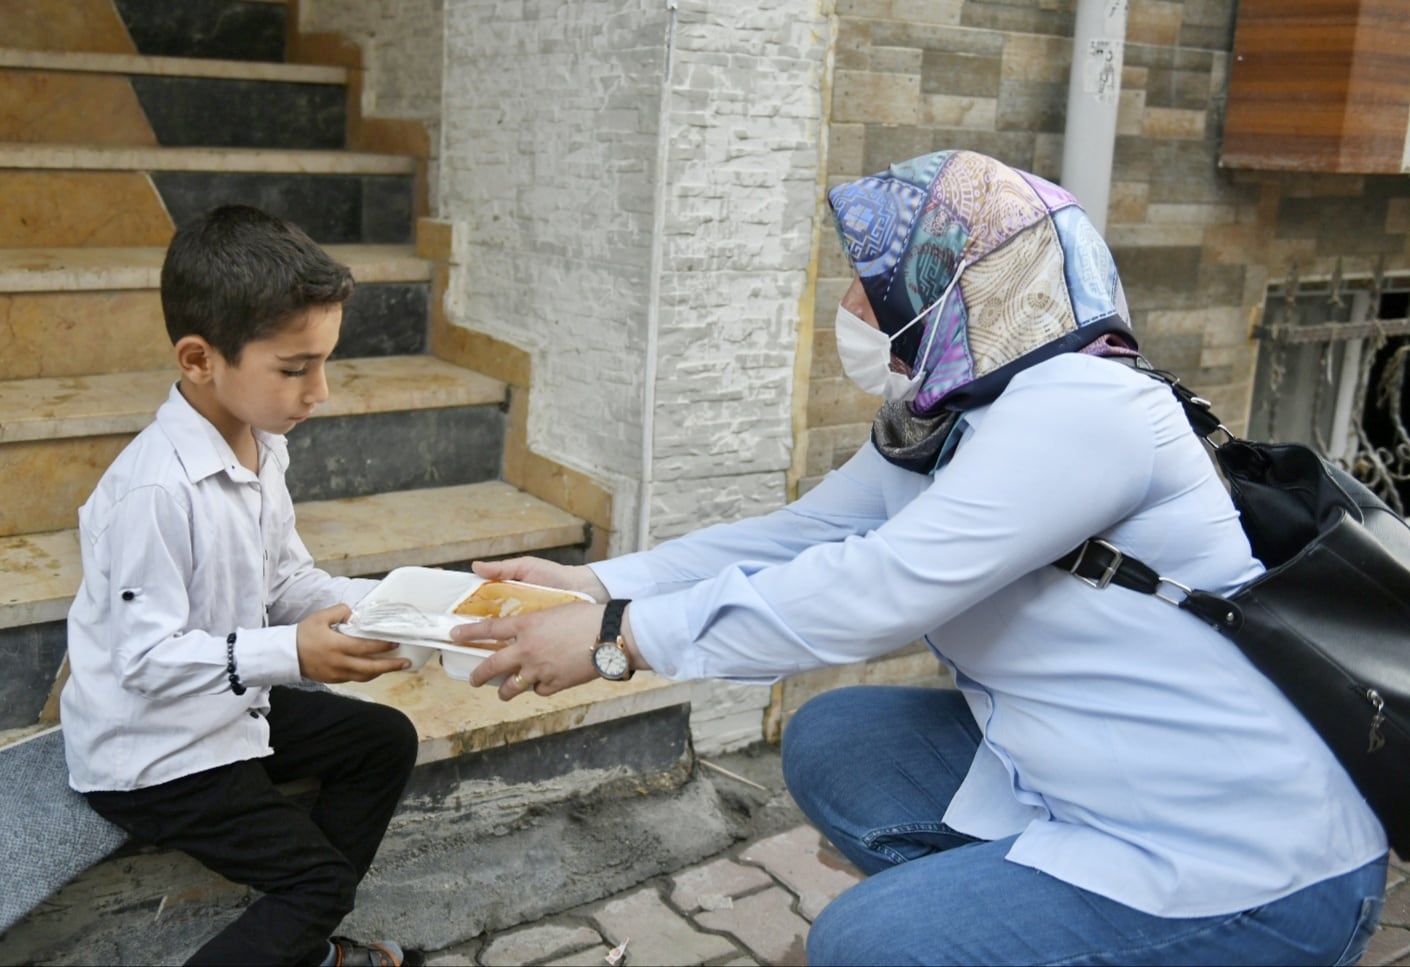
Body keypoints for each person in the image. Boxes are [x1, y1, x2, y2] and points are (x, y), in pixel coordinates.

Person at [449, 150, 1388, 965]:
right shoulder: (946, 415)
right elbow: (804, 534)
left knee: (863, 943)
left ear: (955, 277)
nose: (852, 302)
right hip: (1083, 772)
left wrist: (618, 639)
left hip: (1244, 854)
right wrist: (600, 582)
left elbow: (879, 588)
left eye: (871, 276)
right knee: (837, 737)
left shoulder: (1085, 410)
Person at [61, 205, 424, 967]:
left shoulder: (262, 445)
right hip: (151, 750)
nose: (319, 391)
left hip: (226, 705)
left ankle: (288, 947)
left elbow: (286, 577)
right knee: (318, 883)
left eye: (323, 362)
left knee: (383, 740)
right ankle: (307, 940)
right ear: (199, 359)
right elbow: (143, 662)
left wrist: (401, 610)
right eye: (295, 368)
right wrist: (290, 650)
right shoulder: (154, 491)